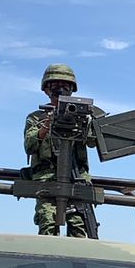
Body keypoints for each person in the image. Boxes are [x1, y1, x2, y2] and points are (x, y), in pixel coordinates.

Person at [23, 64, 101, 237]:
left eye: (65, 86)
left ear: (72, 90)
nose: (61, 90)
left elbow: (94, 142)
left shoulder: (82, 117)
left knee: (80, 231)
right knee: (47, 229)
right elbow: (29, 145)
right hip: (47, 182)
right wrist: (46, 127)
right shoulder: (36, 118)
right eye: (55, 86)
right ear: (46, 90)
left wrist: (85, 122)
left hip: (77, 181)